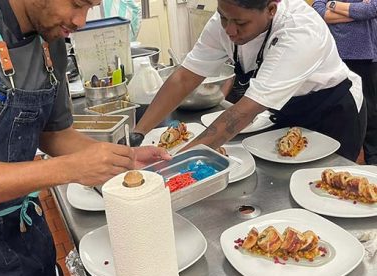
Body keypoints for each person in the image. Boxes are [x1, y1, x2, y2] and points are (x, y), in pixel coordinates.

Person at [0, 0, 170, 276]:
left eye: (91, 7)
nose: (81, 21)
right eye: (77, 4)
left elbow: (53, 134)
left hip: (27, 230)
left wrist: (122, 158)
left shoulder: (50, 39)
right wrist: (69, 169)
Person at [126, 0, 366, 162]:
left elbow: (243, 113)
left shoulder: (300, 32)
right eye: (223, 18)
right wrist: (138, 135)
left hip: (330, 111)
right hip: (284, 109)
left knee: (326, 187)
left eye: (240, 23)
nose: (229, 30)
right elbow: (184, 77)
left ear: (271, 9)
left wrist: (173, 165)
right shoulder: (229, 17)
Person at [312, 0, 377, 164]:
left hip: (367, 56)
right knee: (339, 110)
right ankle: (337, 160)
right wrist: (356, 14)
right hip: (335, 56)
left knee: (370, 111)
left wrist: (332, 4)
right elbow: (318, 11)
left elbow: (370, 10)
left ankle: (373, 161)